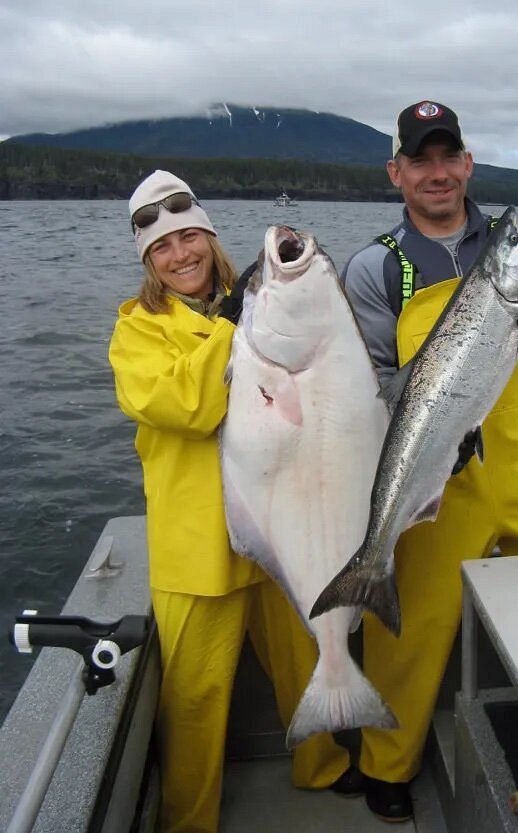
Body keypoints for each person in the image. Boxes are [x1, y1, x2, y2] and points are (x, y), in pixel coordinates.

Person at [329, 100, 518, 821]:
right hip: (442, 470)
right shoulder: (376, 267)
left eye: (448, 157)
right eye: (420, 160)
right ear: (396, 171)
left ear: (467, 164)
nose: (436, 173)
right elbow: (368, 383)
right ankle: (386, 763)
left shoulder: (515, 245)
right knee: (407, 627)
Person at [108, 170, 350, 833]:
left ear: (211, 239)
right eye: (162, 247)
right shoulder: (135, 332)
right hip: (197, 550)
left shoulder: (261, 306)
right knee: (193, 700)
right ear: (148, 263)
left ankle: (322, 766)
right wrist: (231, 325)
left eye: (190, 236)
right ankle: (191, 821)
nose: (180, 254)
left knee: (308, 662)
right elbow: (187, 405)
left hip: (282, 526)